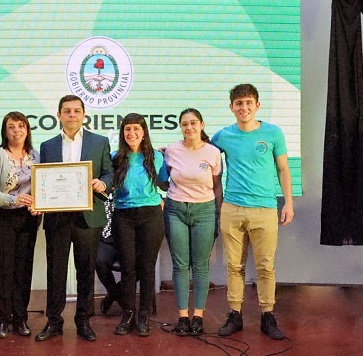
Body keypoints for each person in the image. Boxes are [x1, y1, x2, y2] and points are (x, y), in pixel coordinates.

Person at [212, 84, 294, 340]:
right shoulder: (222, 136)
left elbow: (283, 169)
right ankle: (234, 314)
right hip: (232, 208)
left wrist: (289, 203)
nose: (243, 107)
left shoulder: (273, 133)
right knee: (234, 266)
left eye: (248, 102)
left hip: (265, 208)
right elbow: (199, 151)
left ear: (257, 105)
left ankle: (267, 315)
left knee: (265, 267)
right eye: (238, 103)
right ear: (231, 108)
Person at [35, 95, 113, 342]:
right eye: (67, 111)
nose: (72, 115)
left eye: (76, 111)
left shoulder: (99, 142)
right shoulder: (47, 146)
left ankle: (83, 321)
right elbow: (43, 181)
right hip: (57, 218)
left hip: (87, 217)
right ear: (58, 115)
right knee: (55, 271)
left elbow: (110, 173)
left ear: (83, 115)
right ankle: (54, 321)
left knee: (85, 271)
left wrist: (103, 183)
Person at [0, 111, 41, 339]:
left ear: (27, 129)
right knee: (3, 270)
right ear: (5, 132)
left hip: (28, 219)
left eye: (21, 126)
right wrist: (13, 200)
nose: (17, 130)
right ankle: (3, 320)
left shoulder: (36, 155)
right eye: (11, 127)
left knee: (23, 271)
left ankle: (20, 318)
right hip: (2, 218)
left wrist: (40, 204)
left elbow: (42, 188)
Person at [163, 108, 222, 336]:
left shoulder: (213, 152)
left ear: (202, 125)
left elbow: (217, 186)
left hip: (205, 211)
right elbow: (163, 181)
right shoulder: (171, 151)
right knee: (180, 265)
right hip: (175, 209)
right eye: (185, 124)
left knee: (200, 265)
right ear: (181, 127)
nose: (189, 127)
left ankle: (198, 316)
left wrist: (218, 213)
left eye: (193, 123)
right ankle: (183, 318)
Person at [111, 113, 168, 337]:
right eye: (127, 129)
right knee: (128, 267)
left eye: (136, 129)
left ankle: (143, 315)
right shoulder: (115, 157)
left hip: (151, 215)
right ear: (122, 133)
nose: (132, 133)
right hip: (123, 215)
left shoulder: (156, 156)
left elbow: (164, 182)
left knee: (146, 267)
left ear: (144, 132)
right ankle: (128, 314)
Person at [95, 198, 121, 314]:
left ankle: (113, 294)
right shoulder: (100, 182)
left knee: (143, 262)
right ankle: (117, 294)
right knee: (99, 261)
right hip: (105, 238)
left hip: (129, 237)